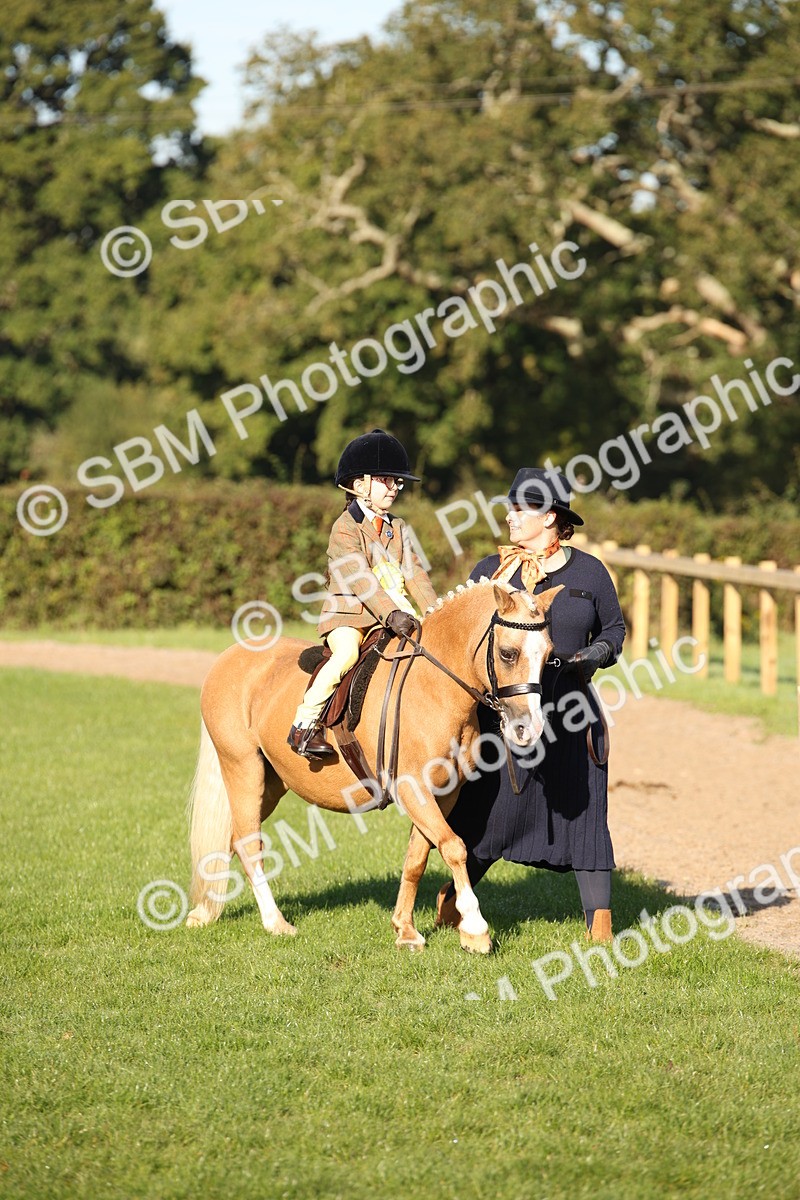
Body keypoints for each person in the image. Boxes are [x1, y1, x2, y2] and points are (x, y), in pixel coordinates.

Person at [437, 467, 626, 941]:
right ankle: (453, 901)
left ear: (551, 517)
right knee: (489, 812)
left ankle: (600, 927)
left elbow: (614, 629)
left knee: (587, 818)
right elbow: (461, 638)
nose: (511, 516)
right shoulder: (492, 572)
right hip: (502, 715)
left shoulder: (590, 572)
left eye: (522, 508)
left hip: (571, 711)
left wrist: (597, 653)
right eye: (511, 506)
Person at [287, 428, 438, 757]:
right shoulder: (344, 527)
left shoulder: (398, 527)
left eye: (397, 482)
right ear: (359, 486)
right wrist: (391, 613)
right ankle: (303, 725)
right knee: (346, 656)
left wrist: (436, 612)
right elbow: (361, 579)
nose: (394, 487)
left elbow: (415, 573)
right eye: (386, 480)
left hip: (391, 615)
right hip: (349, 618)